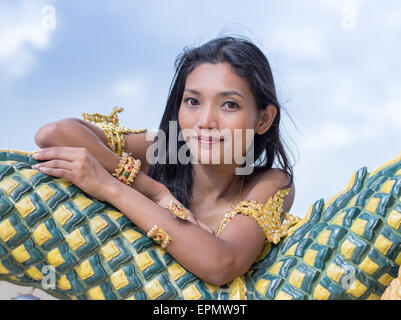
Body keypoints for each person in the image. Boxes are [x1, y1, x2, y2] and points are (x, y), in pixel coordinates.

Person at [32, 36, 299, 287]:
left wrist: (112, 187)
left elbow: (221, 264)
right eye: (193, 101)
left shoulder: (271, 183)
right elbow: (54, 134)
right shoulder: (160, 148)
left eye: (229, 105)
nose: (205, 122)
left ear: (263, 119)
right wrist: (152, 189)